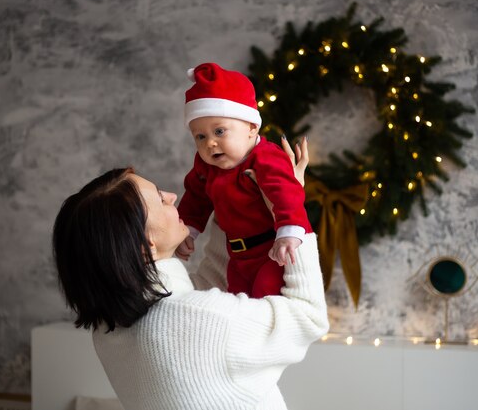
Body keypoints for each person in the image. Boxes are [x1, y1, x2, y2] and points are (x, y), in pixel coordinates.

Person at [52, 140, 329, 410]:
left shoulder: (109, 328)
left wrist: (234, 204)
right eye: (160, 199)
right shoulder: (200, 321)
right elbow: (307, 315)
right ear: (145, 243)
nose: (172, 196)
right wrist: (293, 216)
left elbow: (208, 288)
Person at [176, 62, 312, 298]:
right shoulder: (207, 165)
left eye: (219, 131)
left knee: (264, 297)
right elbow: (195, 198)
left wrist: (289, 231)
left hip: (271, 251)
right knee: (238, 300)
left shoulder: (266, 158)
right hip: (237, 255)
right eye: (200, 136)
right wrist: (187, 230)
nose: (210, 143)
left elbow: (286, 194)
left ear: (251, 127)